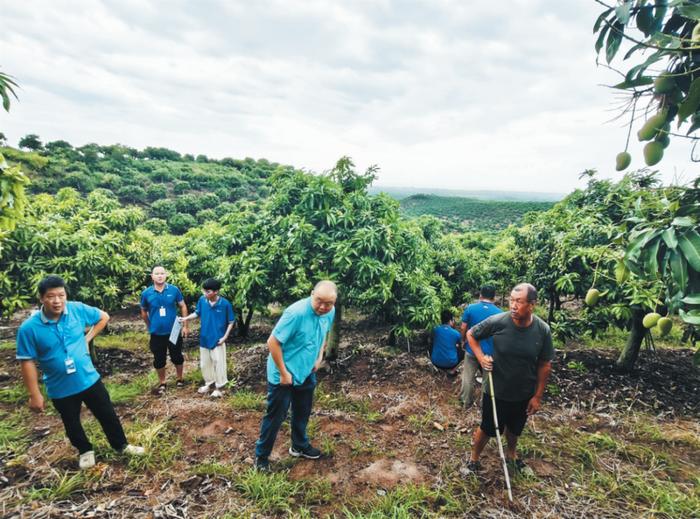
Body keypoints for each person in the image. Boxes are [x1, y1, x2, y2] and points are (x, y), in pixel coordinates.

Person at [16, 275, 145, 470]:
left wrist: (88, 338)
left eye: (61, 295)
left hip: (88, 378)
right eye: (51, 296)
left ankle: (121, 445)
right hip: (60, 386)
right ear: (42, 298)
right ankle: (85, 449)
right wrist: (34, 394)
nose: (57, 301)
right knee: (71, 422)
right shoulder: (29, 328)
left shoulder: (76, 309)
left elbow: (104, 317)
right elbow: (26, 361)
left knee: (107, 413)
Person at [465, 283, 553, 476]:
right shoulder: (499, 321)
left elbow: (545, 364)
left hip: (523, 392)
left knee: (515, 428)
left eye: (519, 302)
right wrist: (480, 357)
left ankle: (511, 456)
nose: (513, 305)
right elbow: (471, 334)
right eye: (511, 300)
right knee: (487, 428)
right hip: (496, 390)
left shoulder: (542, 330)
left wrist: (537, 396)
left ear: (532, 304)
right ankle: (473, 460)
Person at [254, 280, 337, 472]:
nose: (323, 307)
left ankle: (299, 445)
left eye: (329, 303)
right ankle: (262, 457)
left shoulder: (329, 312)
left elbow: (324, 332)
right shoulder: (296, 313)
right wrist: (284, 373)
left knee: (303, 410)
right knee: (276, 416)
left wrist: (319, 356)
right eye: (319, 301)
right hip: (283, 374)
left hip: (306, 371)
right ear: (311, 294)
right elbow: (272, 342)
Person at [178, 278, 235, 398]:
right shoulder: (202, 300)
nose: (205, 294)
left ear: (216, 292)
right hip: (204, 337)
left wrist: (225, 337)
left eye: (208, 292)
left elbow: (231, 322)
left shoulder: (225, 304)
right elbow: (197, 313)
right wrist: (185, 318)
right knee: (205, 364)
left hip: (218, 339)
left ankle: (220, 388)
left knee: (218, 363)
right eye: (204, 291)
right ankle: (209, 384)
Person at [140, 266, 189, 394]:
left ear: (166, 275)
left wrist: (185, 325)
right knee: (159, 359)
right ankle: (163, 382)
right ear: (152, 276)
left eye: (162, 273)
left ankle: (180, 378)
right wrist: (149, 326)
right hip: (156, 333)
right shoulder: (146, 293)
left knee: (177, 356)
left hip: (174, 330)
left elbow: (183, 306)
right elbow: (143, 311)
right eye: (157, 274)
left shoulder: (174, 290)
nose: (160, 276)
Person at [459, 284, 503, 407]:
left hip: (472, 349)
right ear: (494, 298)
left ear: (480, 295)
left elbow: (463, 327)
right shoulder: (500, 313)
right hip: (489, 353)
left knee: (468, 377)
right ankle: (485, 405)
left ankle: (465, 401)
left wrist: (463, 340)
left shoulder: (470, 308)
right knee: (487, 380)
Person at [429, 310, 463, 374]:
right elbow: (459, 346)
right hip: (451, 364)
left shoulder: (435, 330)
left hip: (435, 362)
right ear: (450, 320)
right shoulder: (456, 333)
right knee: (462, 352)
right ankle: (453, 370)